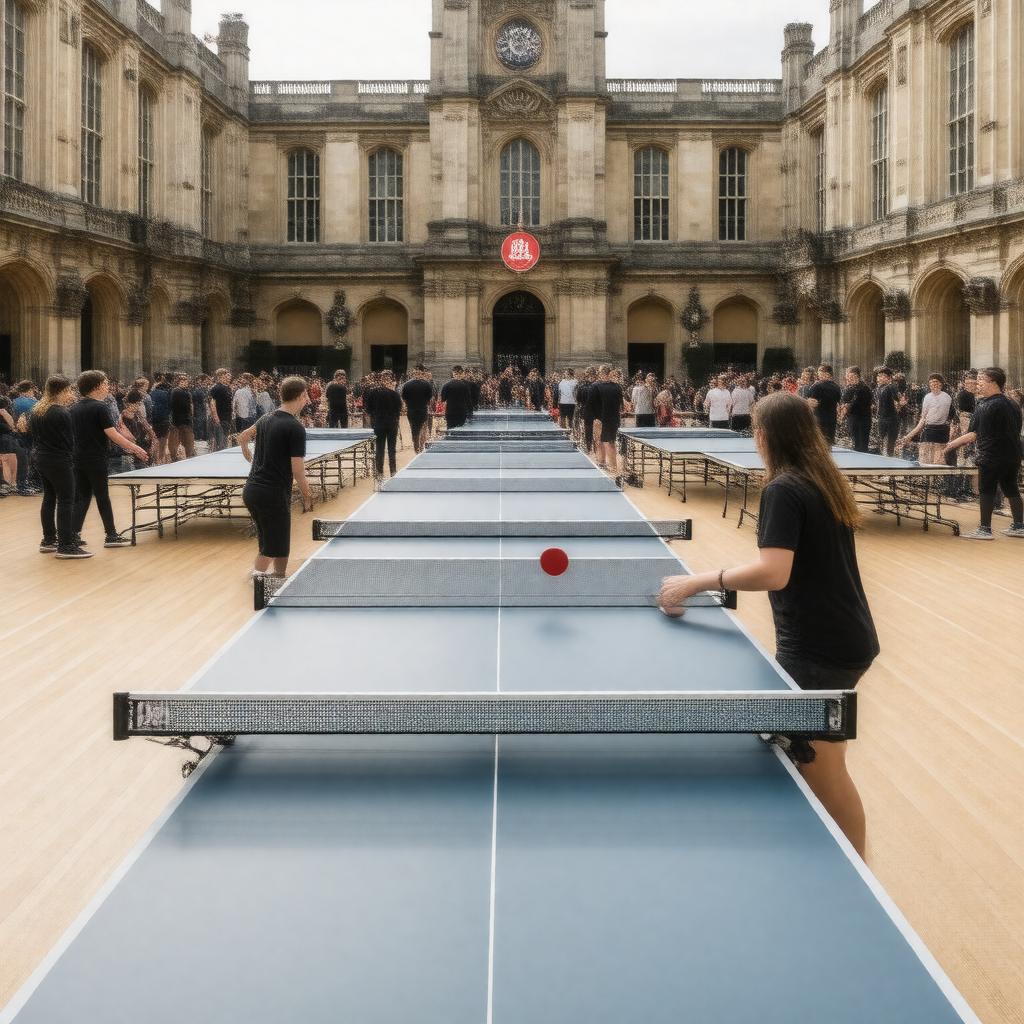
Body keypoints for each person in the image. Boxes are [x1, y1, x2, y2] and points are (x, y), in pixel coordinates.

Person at [658, 391, 878, 857]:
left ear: (767, 435)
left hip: (820, 646)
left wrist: (699, 581)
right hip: (842, 634)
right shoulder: (820, 479)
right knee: (820, 757)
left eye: (756, 428)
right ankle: (835, 855)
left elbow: (774, 571)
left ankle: (857, 867)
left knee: (822, 763)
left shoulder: (783, 489)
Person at [238, 376, 313, 579]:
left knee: (277, 538)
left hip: (252, 490)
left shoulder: (265, 419)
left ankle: (279, 576)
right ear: (300, 396)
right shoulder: (295, 428)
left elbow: (243, 435)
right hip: (271, 493)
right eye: (306, 395)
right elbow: (297, 469)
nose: (308, 399)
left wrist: (246, 452)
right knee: (271, 545)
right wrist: (307, 494)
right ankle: (257, 578)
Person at [71, 370, 149, 548]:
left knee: (83, 497)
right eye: (105, 383)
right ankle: (111, 536)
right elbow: (113, 434)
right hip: (95, 458)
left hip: (78, 458)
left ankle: (74, 534)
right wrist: (135, 447)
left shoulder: (74, 407)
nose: (108, 386)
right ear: (97, 386)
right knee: (102, 497)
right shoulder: (100, 407)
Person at [944, 367, 1024, 540]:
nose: (977, 384)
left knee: (986, 489)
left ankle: (984, 529)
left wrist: (951, 444)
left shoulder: (985, 405)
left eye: (981, 380)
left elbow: (974, 434)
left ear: (993, 383)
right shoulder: (1013, 404)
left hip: (991, 456)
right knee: (1011, 488)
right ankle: (1019, 526)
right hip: (1013, 455)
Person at [29, 376, 92, 557]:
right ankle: (65, 546)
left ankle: (49, 539)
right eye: (70, 390)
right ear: (63, 391)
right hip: (58, 460)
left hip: (41, 458)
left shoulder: (37, 410)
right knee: (67, 500)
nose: (71, 394)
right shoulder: (61, 413)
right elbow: (69, 442)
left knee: (49, 497)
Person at [898, 374, 952, 466]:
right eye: (931, 383)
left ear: (941, 384)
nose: (933, 385)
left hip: (942, 432)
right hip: (928, 430)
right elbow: (923, 418)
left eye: (936, 382)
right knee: (924, 461)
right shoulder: (927, 397)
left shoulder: (947, 397)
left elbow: (952, 419)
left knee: (939, 462)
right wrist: (909, 435)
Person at [587, 364, 623, 473]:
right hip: (613, 420)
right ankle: (612, 466)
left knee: (600, 442)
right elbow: (620, 405)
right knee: (610, 442)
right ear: (609, 373)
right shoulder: (617, 387)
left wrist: (592, 419)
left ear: (601, 373)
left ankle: (603, 464)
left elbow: (590, 404)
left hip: (599, 419)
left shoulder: (594, 386)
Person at [370, 371, 402, 478]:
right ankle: (393, 471)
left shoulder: (373, 392)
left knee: (379, 449)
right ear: (390, 380)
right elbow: (399, 410)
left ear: (381, 379)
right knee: (391, 449)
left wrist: (375, 415)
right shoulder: (395, 394)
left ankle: (379, 473)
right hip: (392, 424)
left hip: (378, 424)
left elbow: (368, 409)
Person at [117, 391, 157, 469]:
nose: (138, 406)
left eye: (139, 404)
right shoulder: (125, 416)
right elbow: (130, 435)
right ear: (130, 403)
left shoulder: (136, 414)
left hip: (141, 447)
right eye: (137, 404)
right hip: (134, 451)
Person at [806, 364, 842, 444]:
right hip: (832, 419)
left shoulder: (816, 386)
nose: (818, 375)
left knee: (818, 444)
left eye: (819, 372)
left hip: (818, 419)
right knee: (828, 444)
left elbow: (812, 403)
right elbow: (839, 403)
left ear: (824, 374)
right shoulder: (837, 387)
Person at [840, 367, 873, 453]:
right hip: (852, 419)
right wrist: (844, 406)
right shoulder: (848, 388)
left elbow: (858, 404)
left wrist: (847, 406)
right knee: (855, 443)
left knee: (862, 445)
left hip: (862, 420)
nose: (849, 378)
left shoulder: (864, 388)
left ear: (858, 376)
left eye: (852, 376)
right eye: (848, 375)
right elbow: (843, 400)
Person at [401, 365, 433, 454]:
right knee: (422, 428)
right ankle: (420, 446)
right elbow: (429, 398)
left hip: (412, 410)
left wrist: (407, 405)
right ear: (421, 373)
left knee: (414, 429)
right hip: (421, 409)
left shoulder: (406, 385)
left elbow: (404, 398)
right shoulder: (427, 384)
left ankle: (417, 447)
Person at [168, 373, 195, 462]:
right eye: (182, 381)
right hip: (179, 420)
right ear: (178, 382)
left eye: (185, 381)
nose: (184, 383)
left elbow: (190, 406)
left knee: (186, 440)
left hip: (185, 419)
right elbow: (175, 406)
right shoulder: (177, 391)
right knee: (179, 440)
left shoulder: (186, 391)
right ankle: (177, 457)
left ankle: (185, 456)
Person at [873, 367, 900, 457]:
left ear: (889, 378)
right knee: (880, 440)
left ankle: (890, 461)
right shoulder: (878, 388)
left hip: (891, 419)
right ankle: (881, 459)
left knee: (890, 443)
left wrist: (899, 404)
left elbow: (898, 401)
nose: (880, 378)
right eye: (879, 376)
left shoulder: (891, 387)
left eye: (883, 376)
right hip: (882, 418)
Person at [208, 368, 233, 452]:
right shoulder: (216, 388)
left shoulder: (227, 388)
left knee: (224, 442)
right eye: (226, 375)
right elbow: (212, 404)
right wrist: (216, 418)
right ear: (220, 376)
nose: (228, 377)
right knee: (220, 443)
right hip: (220, 419)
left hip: (227, 418)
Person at [149, 373, 172, 463]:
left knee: (155, 440)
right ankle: (160, 460)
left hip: (154, 420)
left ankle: (154, 460)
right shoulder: (167, 394)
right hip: (164, 419)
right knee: (163, 441)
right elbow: (170, 406)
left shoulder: (151, 393)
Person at [441, 366, 472, 430]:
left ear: (453, 374)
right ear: (461, 374)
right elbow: (468, 400)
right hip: (462, 411)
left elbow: (443, 399)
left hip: (450, 411)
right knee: (460, 431)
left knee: (450, 430)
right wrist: (470, 412)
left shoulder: (446, 385)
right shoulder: (465, 386)